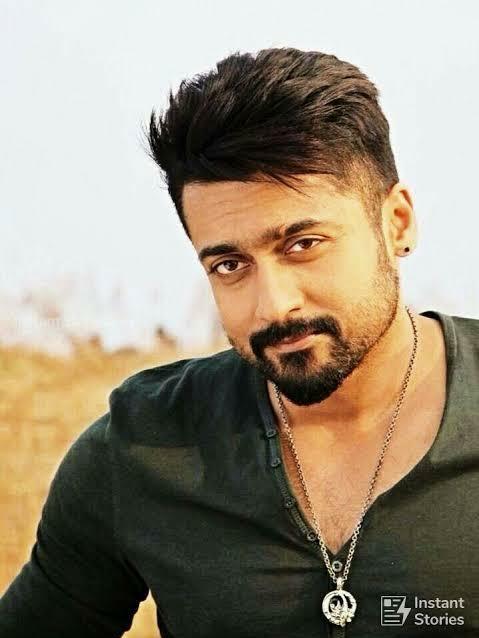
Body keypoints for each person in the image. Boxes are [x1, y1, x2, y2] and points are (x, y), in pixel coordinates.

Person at [1, 47, 478, 638]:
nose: (273, 305)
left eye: (303, 245)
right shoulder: (144, 445)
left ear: (396, 222)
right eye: (229, 265)